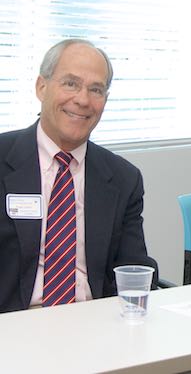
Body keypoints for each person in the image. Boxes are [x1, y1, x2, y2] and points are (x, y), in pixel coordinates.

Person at [0, 39, 157, 312]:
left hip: (95, 324)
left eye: (96, 90)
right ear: (42, 87)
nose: (83, 100)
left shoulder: (123, 178)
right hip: (14, 328)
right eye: (70, 83)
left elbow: (134, 269)